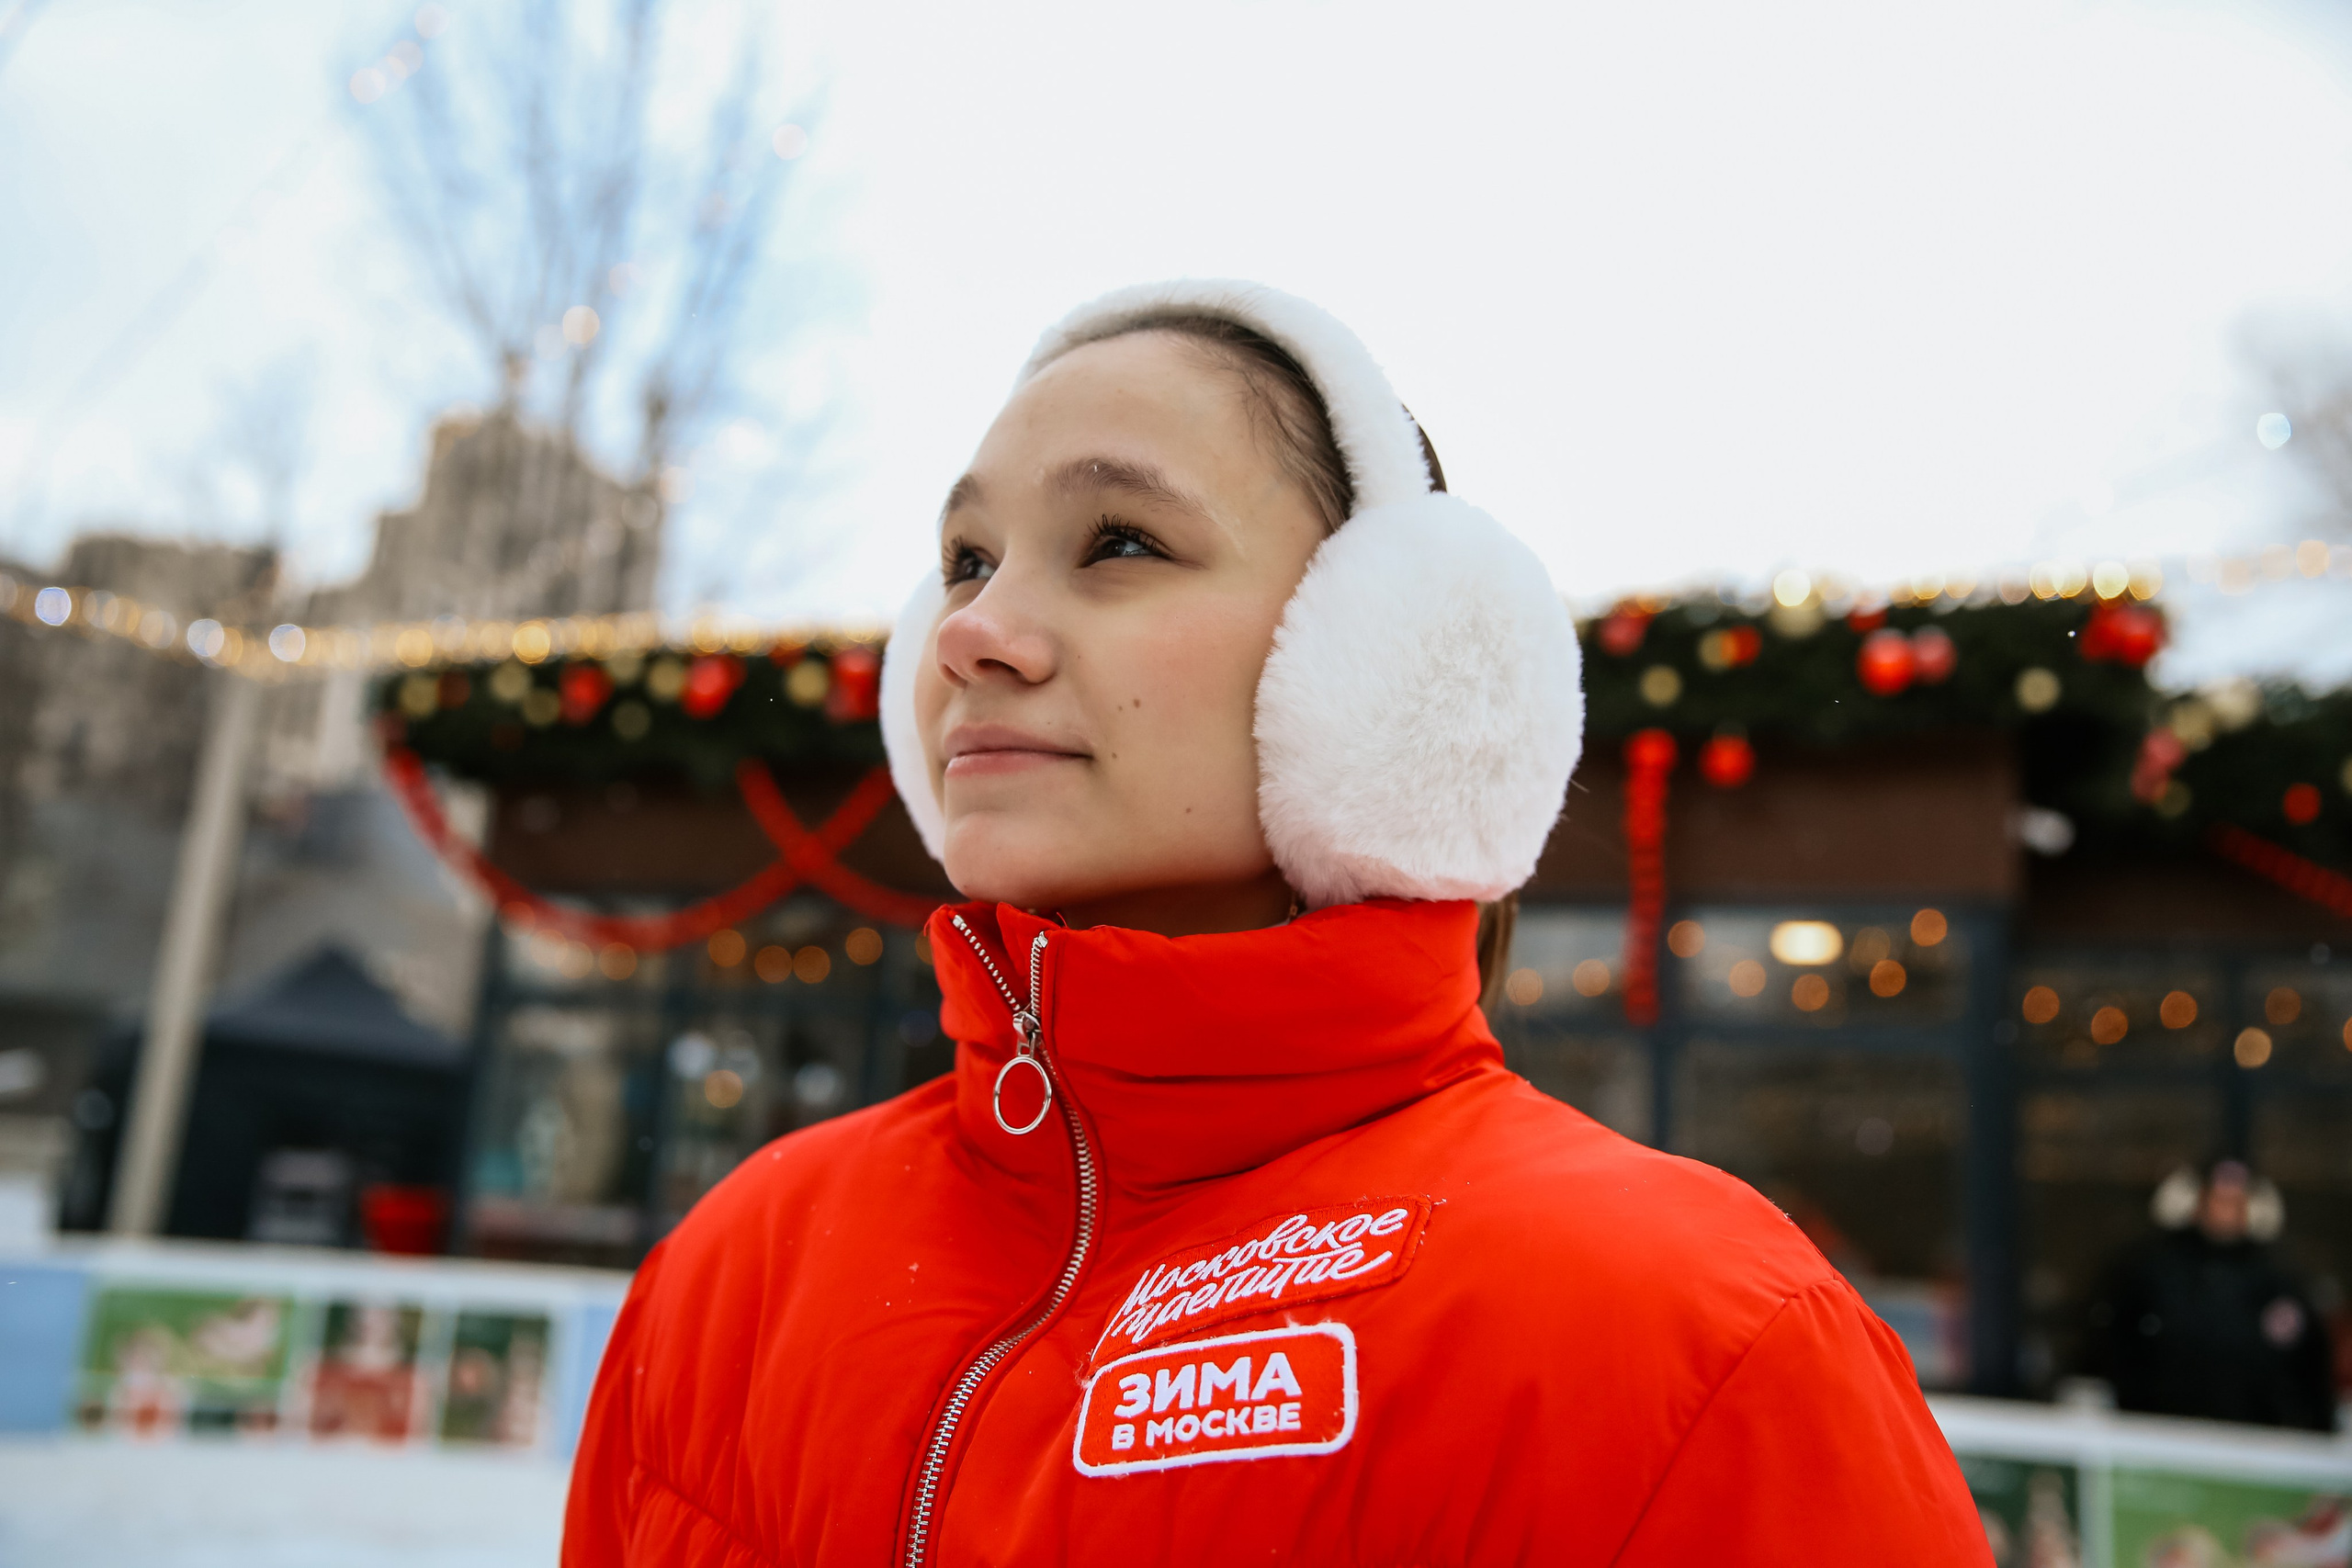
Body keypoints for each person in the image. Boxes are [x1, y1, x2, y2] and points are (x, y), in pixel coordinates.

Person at [563, 281, 1989, 1565]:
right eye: (965, 557)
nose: (970, 630)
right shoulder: (738, 1261)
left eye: (1117, 540)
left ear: (1379, 667)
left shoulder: (1696, 1334)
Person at [2087, 1160, 2336, 1431]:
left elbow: (2311, 1365)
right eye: (2216, 1200)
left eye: (2235, 1202)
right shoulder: (2148, 1270)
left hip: (2252, 1439)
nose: (2225, 1212)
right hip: (2158, 1432)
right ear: (2195, 1204)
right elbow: (2111, 1341)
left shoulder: (2280, 1282)